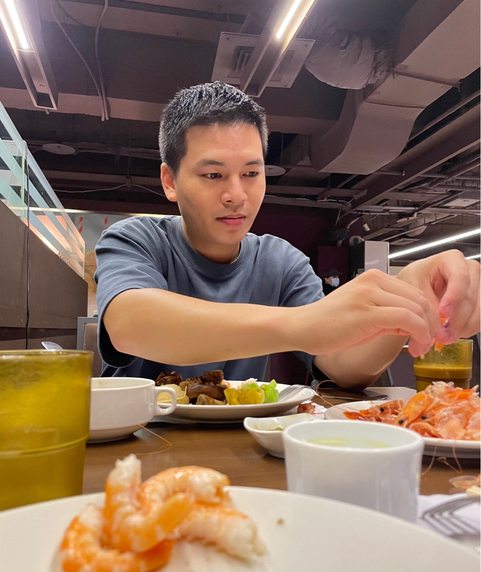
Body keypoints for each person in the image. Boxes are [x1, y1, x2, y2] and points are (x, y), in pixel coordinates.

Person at [94, 81, 480, 389]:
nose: (236, 195)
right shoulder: (135, 239)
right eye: (213, 174)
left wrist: (408, 298)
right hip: (140, 445)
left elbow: (340, 366)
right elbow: (130, 324)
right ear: (170, 181)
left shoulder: (280, 261)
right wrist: (307, 324)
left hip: (240, 448)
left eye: (251, 173)